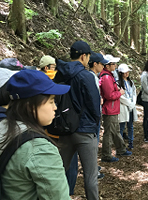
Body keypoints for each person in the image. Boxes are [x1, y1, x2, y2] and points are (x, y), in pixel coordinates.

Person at [0, 69, 71, 200]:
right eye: (51, 101)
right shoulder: (39, 149)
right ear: (30, 105)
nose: (55, 107)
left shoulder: (0, 126)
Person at [54, 40, 101, 200]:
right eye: (88, 56)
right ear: (83, 56)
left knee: (59, 171)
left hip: (65, 128)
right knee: (90, 175)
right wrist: (95, 123)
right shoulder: (86, 76)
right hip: (85, 130)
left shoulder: (60, 74)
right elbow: (94, 104)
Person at [99, 55, 132, 162]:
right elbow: (109, 95)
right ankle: (107, 155)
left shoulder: (109, 75)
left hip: (112, 108)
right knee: (109, 133)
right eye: (113, 64)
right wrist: (120, 92)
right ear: (107, 66)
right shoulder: (107, 77)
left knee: (115, 130)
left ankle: (121, 149)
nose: (115, 66)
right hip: (109, 109)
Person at [88, 52, 109, 180]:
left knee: (94, 143)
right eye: (102, 64)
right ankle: (92, 170)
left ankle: (93, 166)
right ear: (95, 64)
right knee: (92, 145)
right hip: (92, 117)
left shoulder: (94, 76)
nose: (103, 66)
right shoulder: (91, 77)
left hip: (95, 115)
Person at [117, 64, 138, 149]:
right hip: (123, 107)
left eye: (127, 71)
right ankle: (121, 145)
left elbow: (134, 93)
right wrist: (129, 103)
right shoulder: (118, 83)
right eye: (125, 72)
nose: (127, 73)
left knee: (130, 125)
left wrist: (133, 103)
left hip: (131, 107)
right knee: (121, 126)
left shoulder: (131, 82)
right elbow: (120, 96)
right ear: (121, 73)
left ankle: (131, 142)